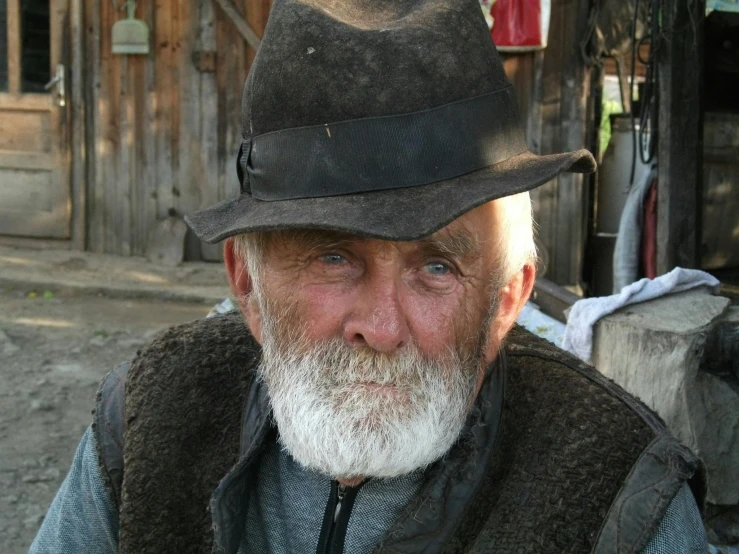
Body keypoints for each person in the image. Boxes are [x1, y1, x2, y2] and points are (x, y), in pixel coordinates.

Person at [31, 0, 707, 552]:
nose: (381, 328)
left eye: (436, 267)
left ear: (506, 298)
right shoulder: (156, 414)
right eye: (333, 258)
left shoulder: (615, 493)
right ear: (247, 286)